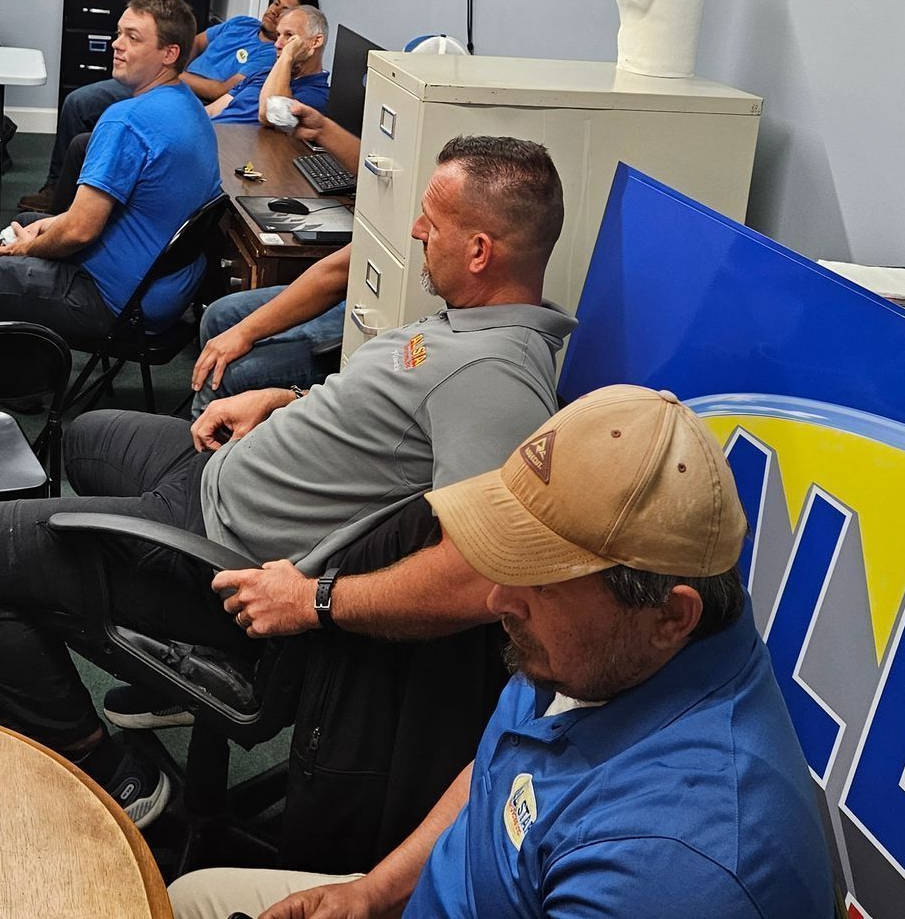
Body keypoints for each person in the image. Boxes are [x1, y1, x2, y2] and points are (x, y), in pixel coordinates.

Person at [0, 136, 574, 826]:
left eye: (431, 224)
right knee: (87, 437)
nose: (413, 230)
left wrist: (317, 600)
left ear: (479, 252)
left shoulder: (494, 380)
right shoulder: (466, 322)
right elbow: (385, 424)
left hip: (223, 554)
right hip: (218, 478)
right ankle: (170, 669)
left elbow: (486, 578)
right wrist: (285, 399)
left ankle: (112, 776)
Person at [169, 388, 837, 919]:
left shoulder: (673, 867)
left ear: (670, 616)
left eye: (542, 579)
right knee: (186, 897)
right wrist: (376, 894)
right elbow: (500, 775)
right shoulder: (595, 655)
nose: (498, 602)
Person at [0, 0, 219, 346]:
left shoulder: (126, 121)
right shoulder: (189, 106)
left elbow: (79, 232)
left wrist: (29, 249)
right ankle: (25, 372)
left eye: (133, 38)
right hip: (165, 289)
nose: (116, 44)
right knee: (27, 226)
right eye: (119, 33)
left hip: (117, 303)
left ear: (170, 54)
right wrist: (45, 229)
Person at [20, 0, 319, 211]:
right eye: (275, 4)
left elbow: (225, 95)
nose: (272, 12)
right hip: (173, 81)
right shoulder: (241, 25)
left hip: (179, 88)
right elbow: (198, 45)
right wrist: (172, 65)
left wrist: (170, 71)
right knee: (79, 104)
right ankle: (56, 189)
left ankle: (71, 206)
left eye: (286, 28)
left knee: (99, 135)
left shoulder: (271, 61)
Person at [189, 100, 357, 413]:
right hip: (349, 293)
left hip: (362, 317)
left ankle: (206, 450)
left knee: (235, 374)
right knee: (218, 315)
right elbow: (384, 171)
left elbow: (336, 275)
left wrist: (244, 333)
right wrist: (323, 130)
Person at [208, 4, 330, 125]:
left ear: (316, 41)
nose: (277, 44)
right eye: (278, 35)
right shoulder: (264, 73)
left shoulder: (317, 94)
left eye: (289, 36)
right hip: (210, 135)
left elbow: (270, 114)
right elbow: (212, 111)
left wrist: (287, 55)